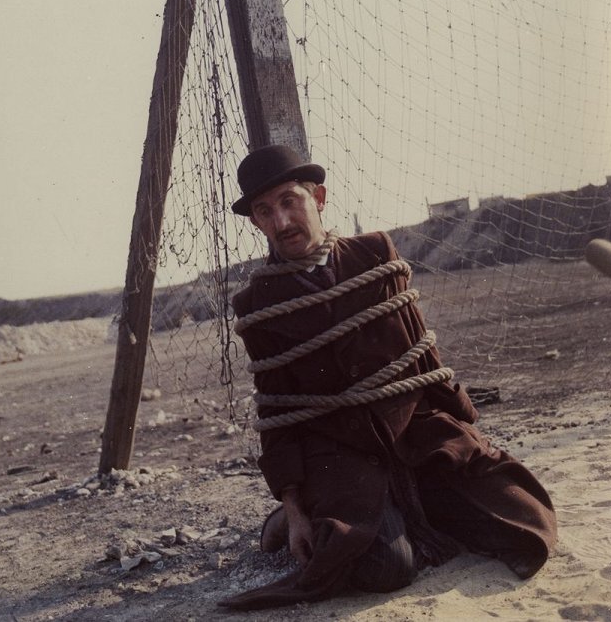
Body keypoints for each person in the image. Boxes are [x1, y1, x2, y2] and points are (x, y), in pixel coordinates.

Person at [221, 144, 557, 611]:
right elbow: (278, 413)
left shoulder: (375, 254)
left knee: (520, 521)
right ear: (255, 222)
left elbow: (423, 354)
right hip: (337, 449)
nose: (281, 222)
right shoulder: (258, 305)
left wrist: (467, 428)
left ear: (318, 197)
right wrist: (295, 509)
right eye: (264, 211)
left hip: (409, 428)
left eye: (289, 201)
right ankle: (318, 513)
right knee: (386, 569)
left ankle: (407, 501)